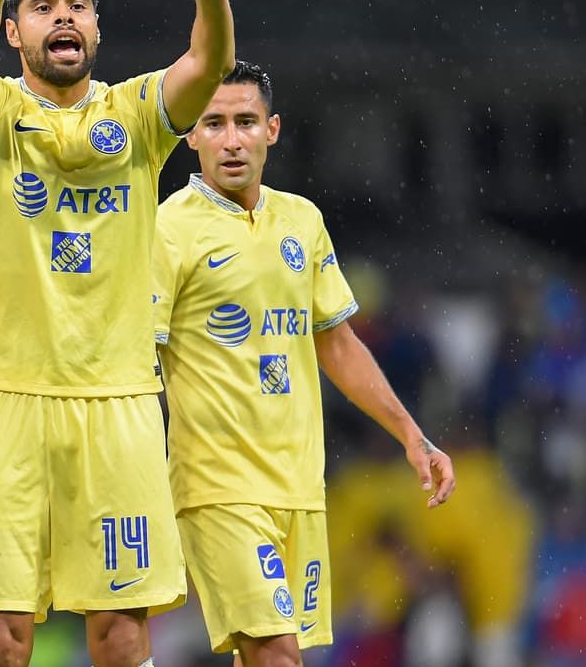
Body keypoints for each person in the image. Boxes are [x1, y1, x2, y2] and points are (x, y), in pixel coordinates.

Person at [0, 0, 236, 667]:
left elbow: (206, 68)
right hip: (7, 393)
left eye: (76, 7)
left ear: (97, 31)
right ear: (15, 33)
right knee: (2, 635)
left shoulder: (137, 114)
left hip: (121, 396)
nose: (61, 17)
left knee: (119, 630)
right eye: (42, 7)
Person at [152, 60, 457, 667]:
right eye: (214, 123)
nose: (231, 138)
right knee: (277, 655)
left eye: (245, 121)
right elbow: (139, 355)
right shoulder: (169, 227)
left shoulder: (303, 221)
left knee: (266, 656)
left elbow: (337, 344)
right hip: (218, 484)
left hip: (298, 485)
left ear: (273, 129)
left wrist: (411, 435)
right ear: (191, 134)